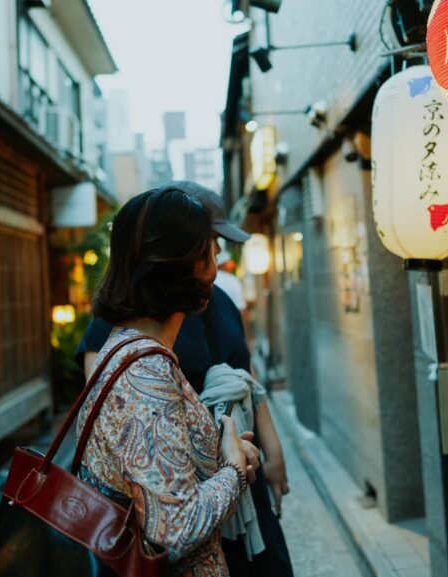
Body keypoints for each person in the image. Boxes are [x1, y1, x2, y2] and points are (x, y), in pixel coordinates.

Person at [78, 182, 294, 577]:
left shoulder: (130, 347)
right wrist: (234, 469)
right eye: (209, 248)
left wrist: (225, 450)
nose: (217, 259)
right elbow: (175, 529)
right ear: (183, 266)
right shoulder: (146, 372)